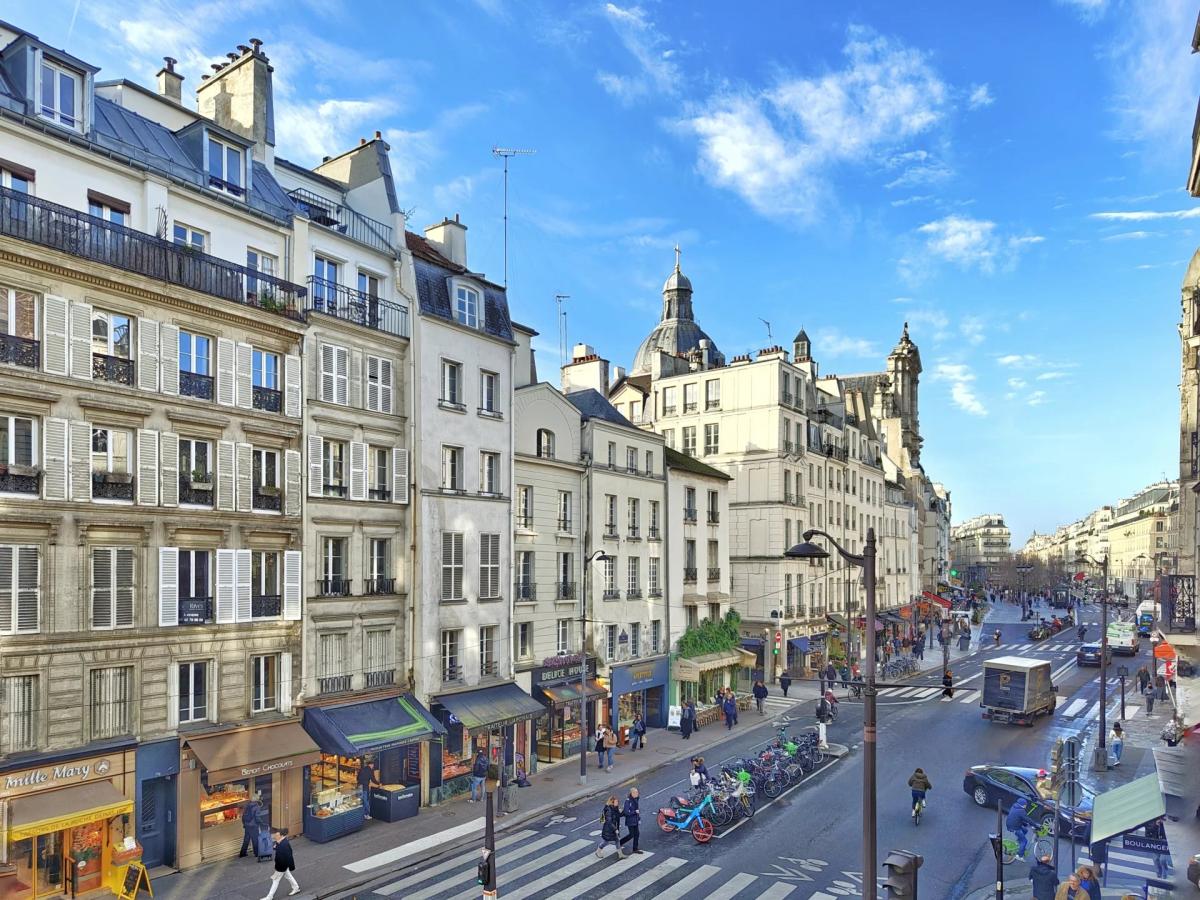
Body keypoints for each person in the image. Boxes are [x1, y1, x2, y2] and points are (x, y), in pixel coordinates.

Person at [260, 828, 299, 899]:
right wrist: (276, 846)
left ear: (281, 835)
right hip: (282, 865)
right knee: (288, 876)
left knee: (275, 881)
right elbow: (278, 848)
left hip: (281, 866)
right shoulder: (280, 841)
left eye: (277, 835)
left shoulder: (285, 844)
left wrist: (291, 866)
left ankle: (269, 897)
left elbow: (289, 856)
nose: (275, 836)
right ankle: (296, 887)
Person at [238, 791, 263, 858]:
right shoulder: (256, 807)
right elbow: (257, 817)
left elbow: (243, 816)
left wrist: (244, 824)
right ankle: (257, 853)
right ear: (257, 799)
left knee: (246, 839)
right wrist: (261, 823)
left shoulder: (247, 805)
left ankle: (242, 853)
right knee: (255, 840)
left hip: (247, 825)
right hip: (253, 826)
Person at [619, 789, 642, 854]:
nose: (637, 793)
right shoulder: (628, 801)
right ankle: (620, 843)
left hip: (635, 820)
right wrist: (634, 812)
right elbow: (626, 812)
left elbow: (636, 809)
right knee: (631, 835)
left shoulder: (636, 799)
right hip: (630, 821)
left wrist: (638, 818)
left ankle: (635, 849)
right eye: (636, 792)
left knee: (637, 834)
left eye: (637, 792)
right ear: (632, 793)